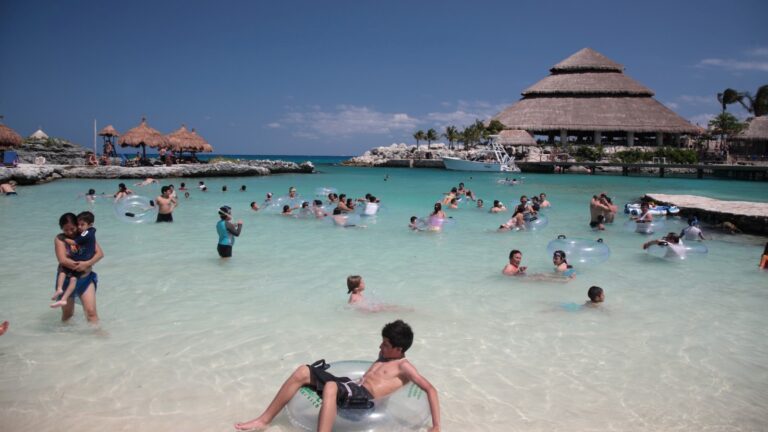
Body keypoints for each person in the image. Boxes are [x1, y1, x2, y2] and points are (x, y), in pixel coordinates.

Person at [234, 320, 441, 432]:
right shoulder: (383, 356)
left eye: (385, 345)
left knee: (331, 387)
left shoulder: (405, 367)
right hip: (351, 387)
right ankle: (263, 420)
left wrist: (437, 426)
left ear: (399, 349)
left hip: (364, 400)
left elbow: (430, 389)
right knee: (302, 371)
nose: (380, 347)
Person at [53, 213, 103, 323]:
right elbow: (62, 260)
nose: (70, 232)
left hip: (85, 279)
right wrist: (79, 265)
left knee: (91, 312)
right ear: (61, 229)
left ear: (77, 225)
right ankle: (65, 337)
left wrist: (87, 264)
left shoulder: (84, 236)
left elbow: (99, 254)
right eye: (66, 230)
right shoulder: (60, 238)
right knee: (68, 315)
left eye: (72, 228)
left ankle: (99, 337)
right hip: (67, 280)